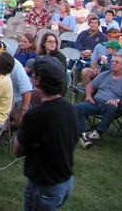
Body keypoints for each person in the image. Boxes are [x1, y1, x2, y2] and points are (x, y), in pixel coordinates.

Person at [13, 55, 77, 210]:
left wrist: (20, 127)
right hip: (65, 181)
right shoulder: (69, 107)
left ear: (37, 80)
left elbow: (17, 150)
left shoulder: (35, 115)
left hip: (45, 186)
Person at [76, 53, 122, 148]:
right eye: (112, 61)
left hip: (112, 107)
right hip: (96, 103)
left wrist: (118, 100)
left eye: (117, 62)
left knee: (110, 106)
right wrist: (89, 96)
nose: (113, 63)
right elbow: (90, 86)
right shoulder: (104, 74)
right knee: (78, 108)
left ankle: (98, 132)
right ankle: (82, 136)